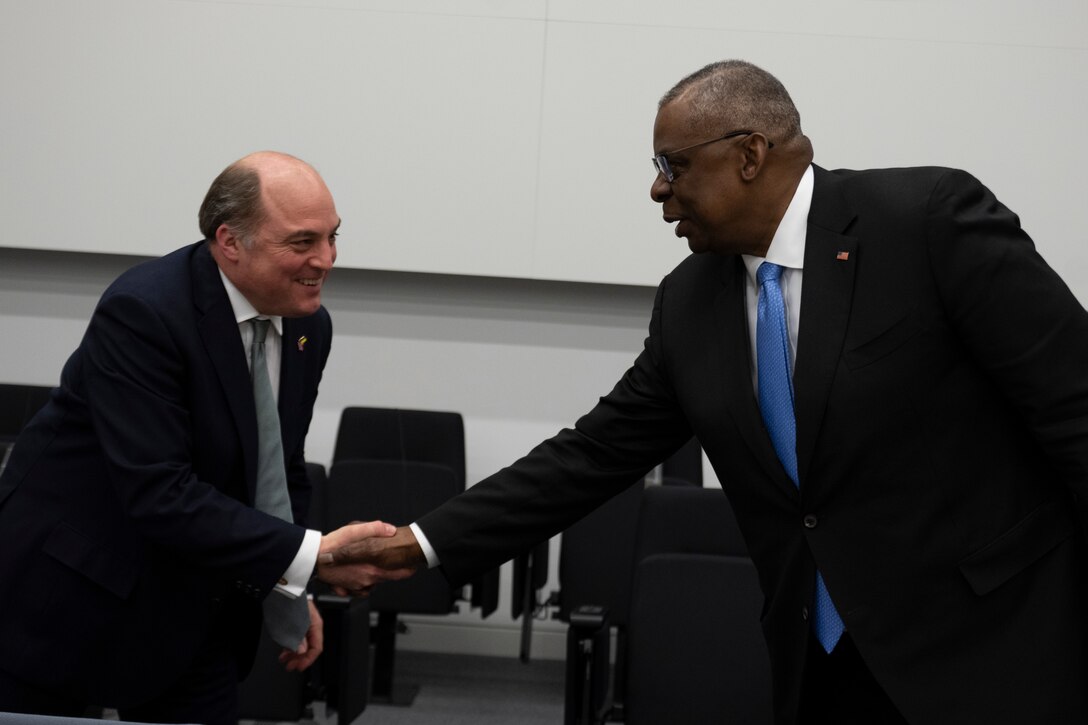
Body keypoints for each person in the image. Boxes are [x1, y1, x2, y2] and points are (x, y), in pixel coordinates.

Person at [329, 61, 1088, 724]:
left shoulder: (924, 223)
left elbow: (1073, 407)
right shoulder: (690, 301)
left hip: (993, 655)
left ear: (750, 153)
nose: (659, 189)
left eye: (674, 163)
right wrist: (422, 544)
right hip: (821, 667)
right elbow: (592, 454)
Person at [0, 151, 406, 724]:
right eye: (302, 242)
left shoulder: (308, 325)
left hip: (194, 606)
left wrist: (289, 590)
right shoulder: (144, 312)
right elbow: (159, 492)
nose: (327, 260)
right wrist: (315, 555)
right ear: (230, 241)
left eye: (333, 237)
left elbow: (277, 467)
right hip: (70, 597)